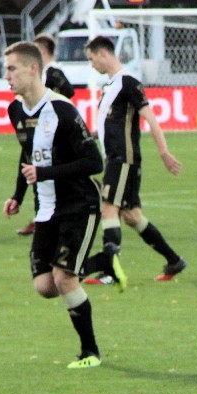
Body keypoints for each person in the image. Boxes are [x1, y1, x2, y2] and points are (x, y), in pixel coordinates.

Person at [2, 41, 105, 369]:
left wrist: (44, 172)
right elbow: (27, 152)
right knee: (45, 286)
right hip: (45, 209)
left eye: (12, 68)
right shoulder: (15, 110)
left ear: (33, 69)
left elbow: (94, 161)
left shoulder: (62, 110)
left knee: (64, 278)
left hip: (79, 205)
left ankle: (90, 353)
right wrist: (18, 195)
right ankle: (102, 262)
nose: (7, 76)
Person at [81, 35, 186, 287]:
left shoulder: (128, 82)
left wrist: (164, 152)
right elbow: (112, 125)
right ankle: (174, 260)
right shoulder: (111, 87)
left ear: (103, 54)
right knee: (132, 216)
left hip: (123, 159)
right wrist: (90, 135)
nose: (92, 64)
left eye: (92, 59)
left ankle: (109, 271)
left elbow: (150, 118)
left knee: (108, 207)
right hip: (116, 158)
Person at [15, 34, 76, 236]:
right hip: (41, 129)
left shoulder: (52, 72)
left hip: (52, 130)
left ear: (42, 50)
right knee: (35, 165)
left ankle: (49, 218)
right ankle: (40, 217)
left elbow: (68, 92)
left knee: (48, 170)